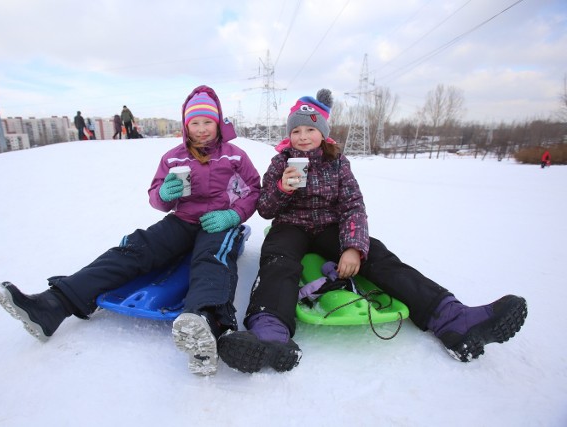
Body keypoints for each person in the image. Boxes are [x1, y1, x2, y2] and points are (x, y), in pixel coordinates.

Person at [218, 89, 528, 373]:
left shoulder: (338, 163)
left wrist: (353, 246)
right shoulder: (279, 163)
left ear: (323, 133)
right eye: (296, 130)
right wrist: (283, 189)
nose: (302, 136)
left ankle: (452, 317)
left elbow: (353, 206)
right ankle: (269, 332)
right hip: (290, 225)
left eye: (310, 129)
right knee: (278, 261)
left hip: (329, 226)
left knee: (379, 257)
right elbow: (266, 209)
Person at [0, 86, 262, 376]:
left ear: (218, 122)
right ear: (186, 126)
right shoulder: (173, 158)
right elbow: (156, 195)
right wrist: (165, 194)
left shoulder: (235, 156)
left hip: (219, 222)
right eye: (194, 123)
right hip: (182, 220)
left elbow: (252, 190)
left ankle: (207, 322)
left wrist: (232, 215)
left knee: (213, 257)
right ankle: (52, 305)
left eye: (207, 122)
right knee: (137, 247)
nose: (201, 129)